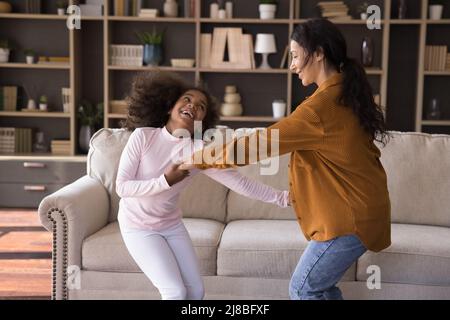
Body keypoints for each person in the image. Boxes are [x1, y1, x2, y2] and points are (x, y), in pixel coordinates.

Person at [183, 18, 391, 300]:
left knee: (303, 289)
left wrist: (198, 158)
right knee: (320, 288)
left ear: (317, 53)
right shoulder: (344, 94)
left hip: (350, 220)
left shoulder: (319, 109)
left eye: (295, 55)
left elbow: (259, 144)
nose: (292, 64)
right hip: (364, 211)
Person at [115, 71, 290, 300]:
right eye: (187, 99)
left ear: (201, 122)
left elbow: (241, 183)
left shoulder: (200, 152)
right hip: (137, 227)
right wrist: (165, 181)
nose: (193, 105)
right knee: (175, 292)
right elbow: (122, 188)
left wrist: (284, 198)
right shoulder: (143, 137)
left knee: (196, 292)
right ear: (170, 107)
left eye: (201, 106)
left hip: (170, 226)